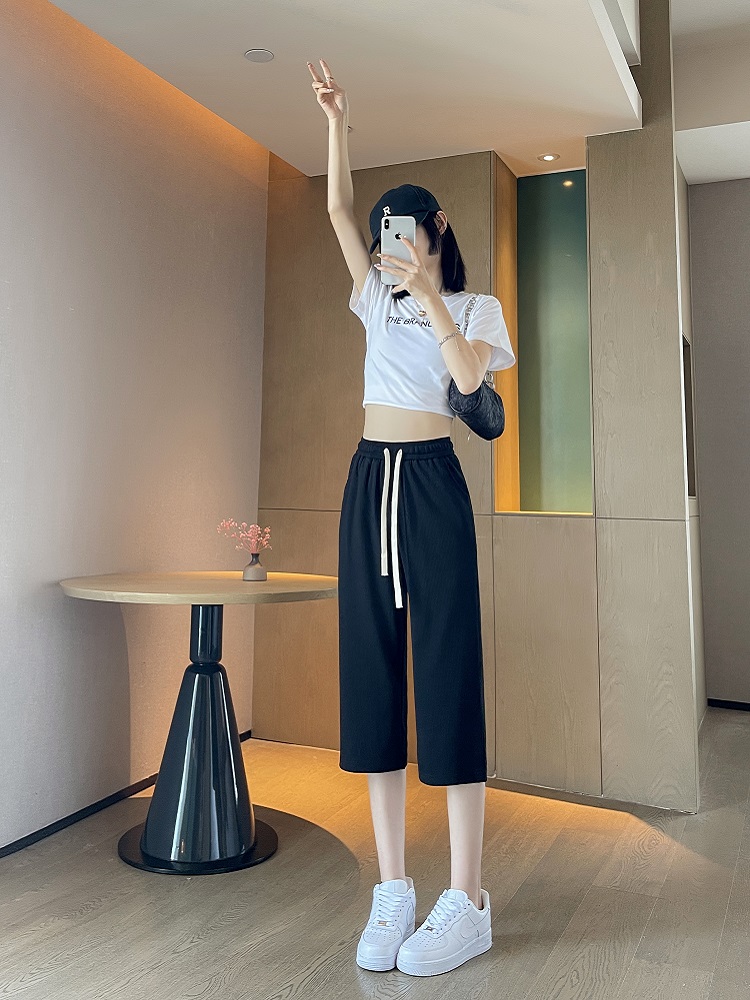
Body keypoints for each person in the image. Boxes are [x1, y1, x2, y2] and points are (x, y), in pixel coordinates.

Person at [307, 58, 516, 978]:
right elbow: (335, 209)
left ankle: (467, 897)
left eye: (408, 226)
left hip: (432, 482)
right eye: (387, 229)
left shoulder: (475, 306)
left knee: (448, 673)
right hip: (368, 482)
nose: (392, 239)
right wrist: (337, 121)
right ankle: (393, 886)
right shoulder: (370, 297)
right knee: (373, 676)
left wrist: (431, 296)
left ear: (436, 229)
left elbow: (469, 385)